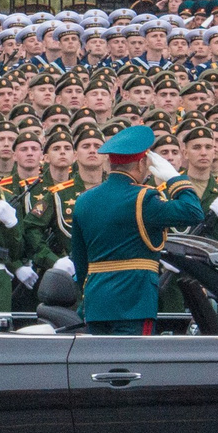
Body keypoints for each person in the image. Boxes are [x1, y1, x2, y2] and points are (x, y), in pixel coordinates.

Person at [69, 125, 204, 334]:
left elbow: (79, 260)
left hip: (97, 302)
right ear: (141, 163)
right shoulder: (144, 199)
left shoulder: (84, 200)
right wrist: (175, 179)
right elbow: (193, 212)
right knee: (132, 364)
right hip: (135, 302)